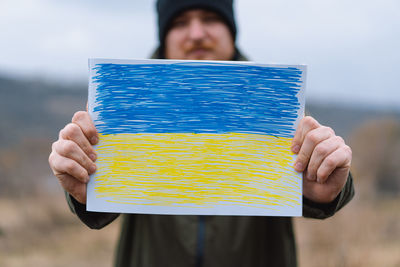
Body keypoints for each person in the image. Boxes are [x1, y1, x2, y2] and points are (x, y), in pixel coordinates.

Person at [48, 0, 354, 266]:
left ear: (231, 30)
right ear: (164, 35)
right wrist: (85, 190)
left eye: (209, 18)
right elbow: (100, 196)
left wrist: (325, 191)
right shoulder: (126, 103)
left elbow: (314, 183)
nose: (196, 33)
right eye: (180, 22)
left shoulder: (277, 104)